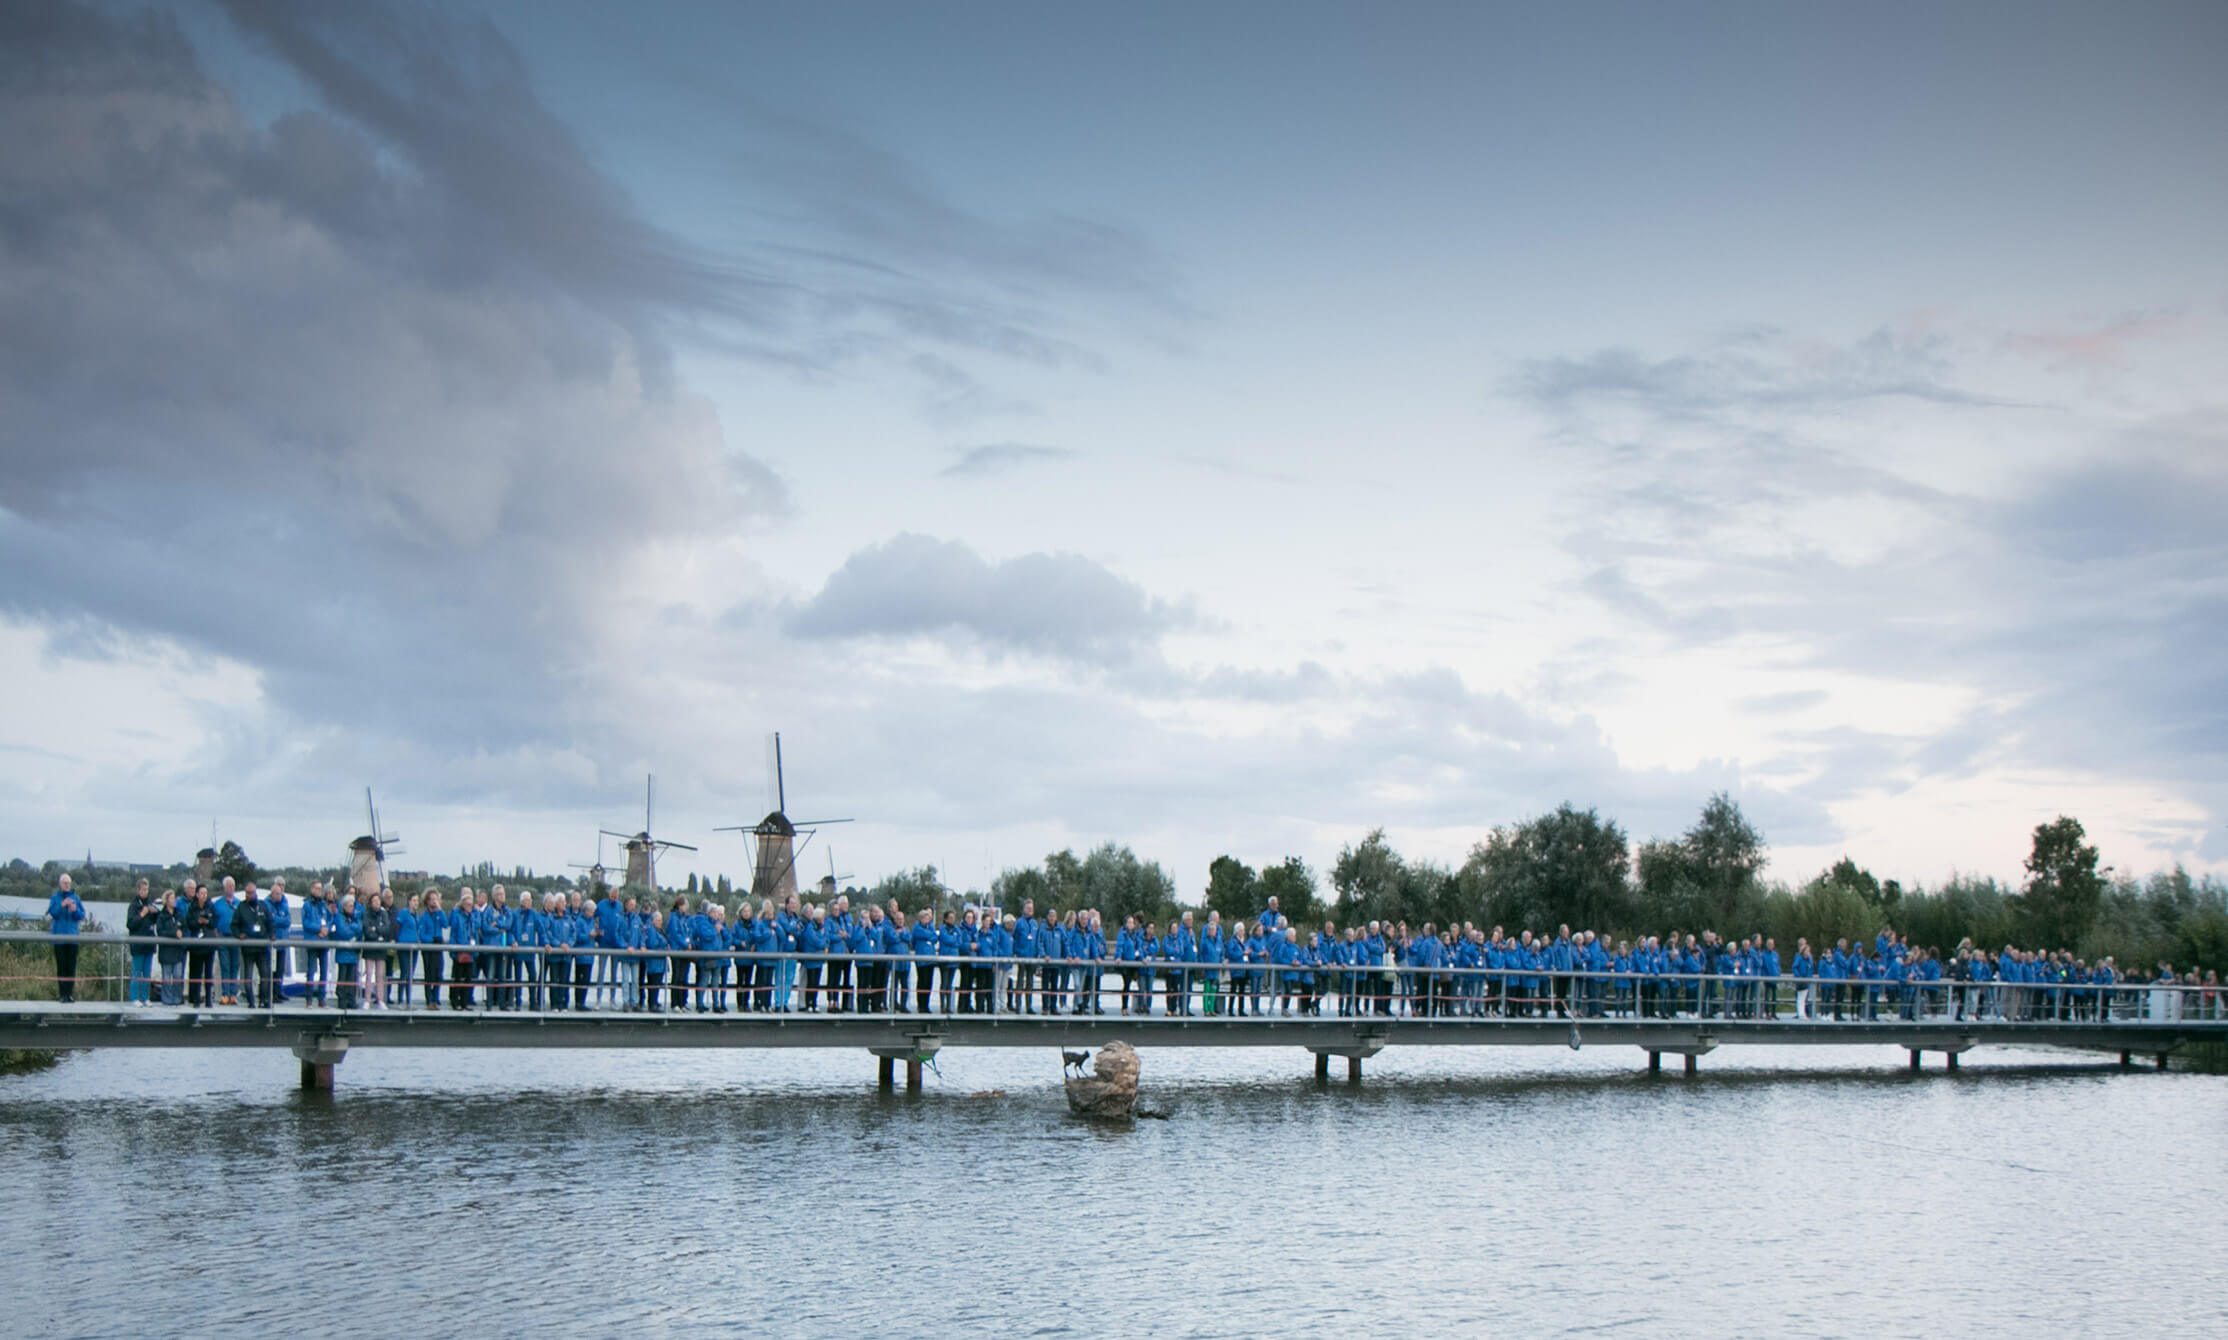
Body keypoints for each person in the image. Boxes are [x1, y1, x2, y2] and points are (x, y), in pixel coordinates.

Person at [234, 880, 274, 1008]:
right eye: (246, 893)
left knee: (265, 976)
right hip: (248, 949)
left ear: (255, 893)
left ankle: (263, 1000)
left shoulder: (263, 906)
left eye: (251, 893)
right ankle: (251, 1002)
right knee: (248, 977)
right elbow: (234, 925)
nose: (248, 895)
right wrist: (239, 934)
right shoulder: (241, 907)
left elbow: (271, 922)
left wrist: (272, 934)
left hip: (262, 948)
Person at [46, 873, 85, 1003]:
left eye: (68, 883)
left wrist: (74, 910)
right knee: (61, 967)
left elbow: (81, 915)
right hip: (59, 939)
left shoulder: (76, 898)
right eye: (64, 883)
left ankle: (70, 994)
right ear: (60, 884)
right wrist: (62, 905)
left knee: (71, 967)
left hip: (73, 939)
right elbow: (53, 913)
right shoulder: (55, 898)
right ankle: (62, 994)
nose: (67, 885)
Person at [183, 883, 217, 1007]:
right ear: (197, 894)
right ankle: (196, 999)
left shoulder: (211, 906)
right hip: (196, 945)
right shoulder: (192, 907)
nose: (204, 895)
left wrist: (207, 921)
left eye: (206, 893)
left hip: (209, 945)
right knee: (196, 973)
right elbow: (189, 922)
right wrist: (198, 922)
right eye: (201, 893)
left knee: (209, 973)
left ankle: (209, 999)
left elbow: (214, 922)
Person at [125, 878, 158, 1005]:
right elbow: (130, 924)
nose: (145, 892)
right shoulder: (133, 905)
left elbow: (157, 919)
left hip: (149, 943)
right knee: (137, 972)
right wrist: (142, 914)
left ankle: (145, 997)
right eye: (143, 889)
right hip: (138, 944)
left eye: (147, 889)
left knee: (147, 972)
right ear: (138, 890)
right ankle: (135, 997)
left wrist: (156, 913)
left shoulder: (150, 903)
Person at [332, 893, 365, 1010]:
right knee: (343, 977)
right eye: (350, 906)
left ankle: (351, 1000)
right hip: (343, 953)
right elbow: (342, 932)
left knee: (352, 977)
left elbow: (360, 929)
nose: (352, 908)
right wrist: (353, 931)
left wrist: (353, 930)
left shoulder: (355, 917)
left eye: (353, 906)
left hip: (353, 953)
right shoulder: (339, 917)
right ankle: (342, 999)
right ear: (344, 906)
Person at [155, 889, 187, 1006]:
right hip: (166, 952)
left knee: (178, 975)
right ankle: (167, 999)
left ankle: (177, 999)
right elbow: (160, 931)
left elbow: (184, 927)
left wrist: (181, 933)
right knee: (167, 977)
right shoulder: (162, 916)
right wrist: (174, 933)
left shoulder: (179, 914)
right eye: (172, 898)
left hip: (178, 951)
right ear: (166, 900)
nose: (175, 901)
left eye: (175, 898)